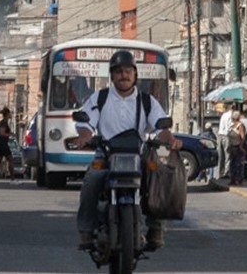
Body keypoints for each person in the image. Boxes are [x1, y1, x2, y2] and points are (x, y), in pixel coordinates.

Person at [75, 50, 181, 251]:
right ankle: (86, 231)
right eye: (118, 71)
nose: (123, 75)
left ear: (135, 74)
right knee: (92, 180)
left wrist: (170, 140)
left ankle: (156, 228)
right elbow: (86, 123)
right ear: (112, 75)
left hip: (138, 154)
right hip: (106, 154)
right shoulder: (101, 98)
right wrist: (84, 137)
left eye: (127, 71)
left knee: (157, 177)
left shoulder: (147, 101)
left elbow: (161, 127)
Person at [227, 115, 247, 186]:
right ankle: (232, 179)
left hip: (238, 147)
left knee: (238, 164)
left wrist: (241, 146)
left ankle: (239, 180)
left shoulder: (240, 126)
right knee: (232, 164)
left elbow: (243, 137)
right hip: (232, 147)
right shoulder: (232, 126)